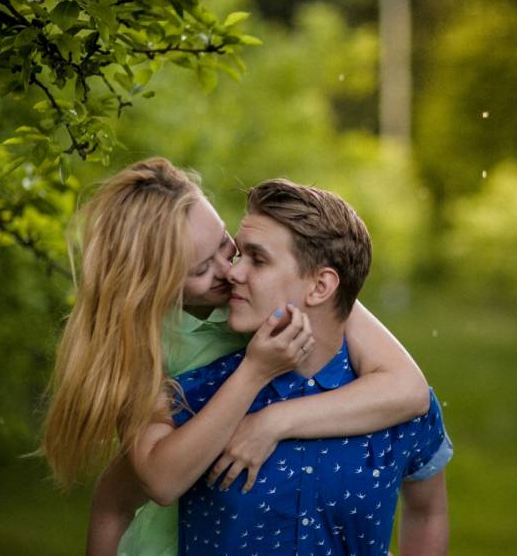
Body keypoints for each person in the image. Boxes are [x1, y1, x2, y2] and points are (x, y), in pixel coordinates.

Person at [39, 158, 431, 555]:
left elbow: (408, 389)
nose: (230, 271)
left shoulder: (288, 291)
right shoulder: (146, 346)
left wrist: (272, 422)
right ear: (159, 285)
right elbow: (150, 483)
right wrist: (254, 371)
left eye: (227, 245)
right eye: (202, 269)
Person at [131, 178, 451, 555]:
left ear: (320, 287)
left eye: (258, 259)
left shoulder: (399, 408)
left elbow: (427, 512)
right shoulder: (193, 396)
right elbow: (124, 495)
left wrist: (272, 422)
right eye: (240, 254)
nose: (233, 272)